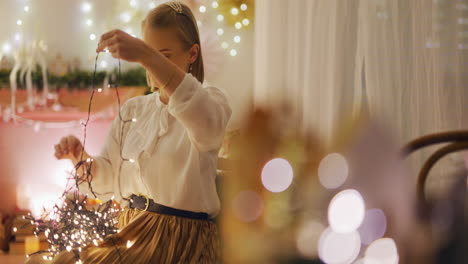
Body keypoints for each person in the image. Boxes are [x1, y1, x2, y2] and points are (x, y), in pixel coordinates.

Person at [28, 1, 231, 263]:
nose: (152, 65)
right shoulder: (135, 109)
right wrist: (80, 158)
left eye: (163, 56)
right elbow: (108, 182)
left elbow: (206, 124)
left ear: (192, 54)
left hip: (178, 239)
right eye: (149, 54)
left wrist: (146, 54)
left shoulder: (211, 102)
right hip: (128, 231)